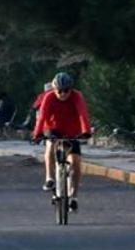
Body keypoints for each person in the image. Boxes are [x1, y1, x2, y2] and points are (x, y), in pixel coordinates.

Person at [32, 71, 93, 209]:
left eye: (66, 91)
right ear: (54, 89)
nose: (63, 94)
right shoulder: (49, 97)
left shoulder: (77, 97)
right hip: (53, 127)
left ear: (71, 89)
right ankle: (50, 178)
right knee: (50, 145)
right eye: (59, 91)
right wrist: (37, 134)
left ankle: (74, 196)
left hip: (72, 130)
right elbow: (41, 117)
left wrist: (86, 131)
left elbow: (83, 115)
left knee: (76, 161)